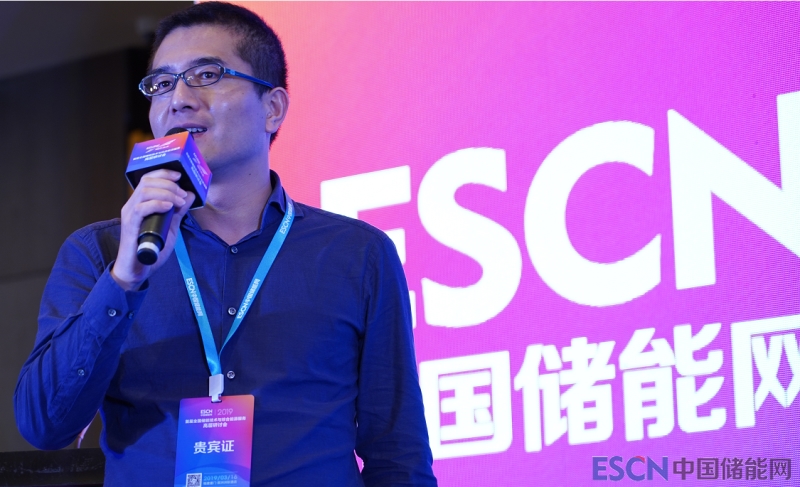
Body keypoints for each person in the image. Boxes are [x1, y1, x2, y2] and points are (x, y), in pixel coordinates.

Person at [14, 3, 437, 486]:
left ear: (272, 108)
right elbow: (45, 425)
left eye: (206, 75)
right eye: (162, 83)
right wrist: (123, 281)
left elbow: (397, 452)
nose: (179, 99)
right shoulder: (100, 252)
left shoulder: (357, 254)